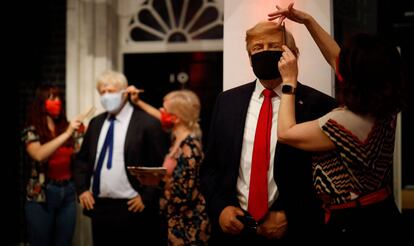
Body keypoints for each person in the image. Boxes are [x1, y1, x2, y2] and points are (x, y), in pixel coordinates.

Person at [269, 3, 405, 241]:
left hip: (355, 224)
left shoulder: (345, 121)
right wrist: (308, 21)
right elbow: (337, 59)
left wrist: (289, 81)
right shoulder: (383, 106)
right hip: (380, 213)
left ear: (357, 76)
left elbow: (286, 132)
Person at [199, 20, 338, 244]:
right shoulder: (227, 102)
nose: (264, 53)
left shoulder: (319, 105)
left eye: (273, 47)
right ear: (249, 57)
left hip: (294, 232)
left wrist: (292, 216)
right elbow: (211, 167)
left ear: (292, 54)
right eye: (257, 48)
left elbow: (330, 180)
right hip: (234, 231)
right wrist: (220, 209)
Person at [72, 70, 170, 245]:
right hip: (99, 206)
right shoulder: (96, 123)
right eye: (102, 92)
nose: (106, 96)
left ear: (124, 92)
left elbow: (160, 162)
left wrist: (148, 196)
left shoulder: (146, 123)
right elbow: (82, 159)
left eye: (111, 91)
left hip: (132, 206)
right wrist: (82, 189)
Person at [128, 88, 210, 245]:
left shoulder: (190, 146)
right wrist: (138, 102)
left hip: (188, 225)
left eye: (164, 110)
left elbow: (185, 192)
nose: (160, 112)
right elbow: (158, 115)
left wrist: (156, 181)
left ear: (176, 118)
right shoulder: (177, 139)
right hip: (174, 220)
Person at [22, 84, 84, 246]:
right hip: (42, 195)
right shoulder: (32, 129)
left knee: (64, 242)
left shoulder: (66, 127)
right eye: (51, 98)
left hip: (68, 192)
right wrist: (67, 134)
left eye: (57, 98)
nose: (56, 101)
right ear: (41, 102)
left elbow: (80, 153)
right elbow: (39, 154)